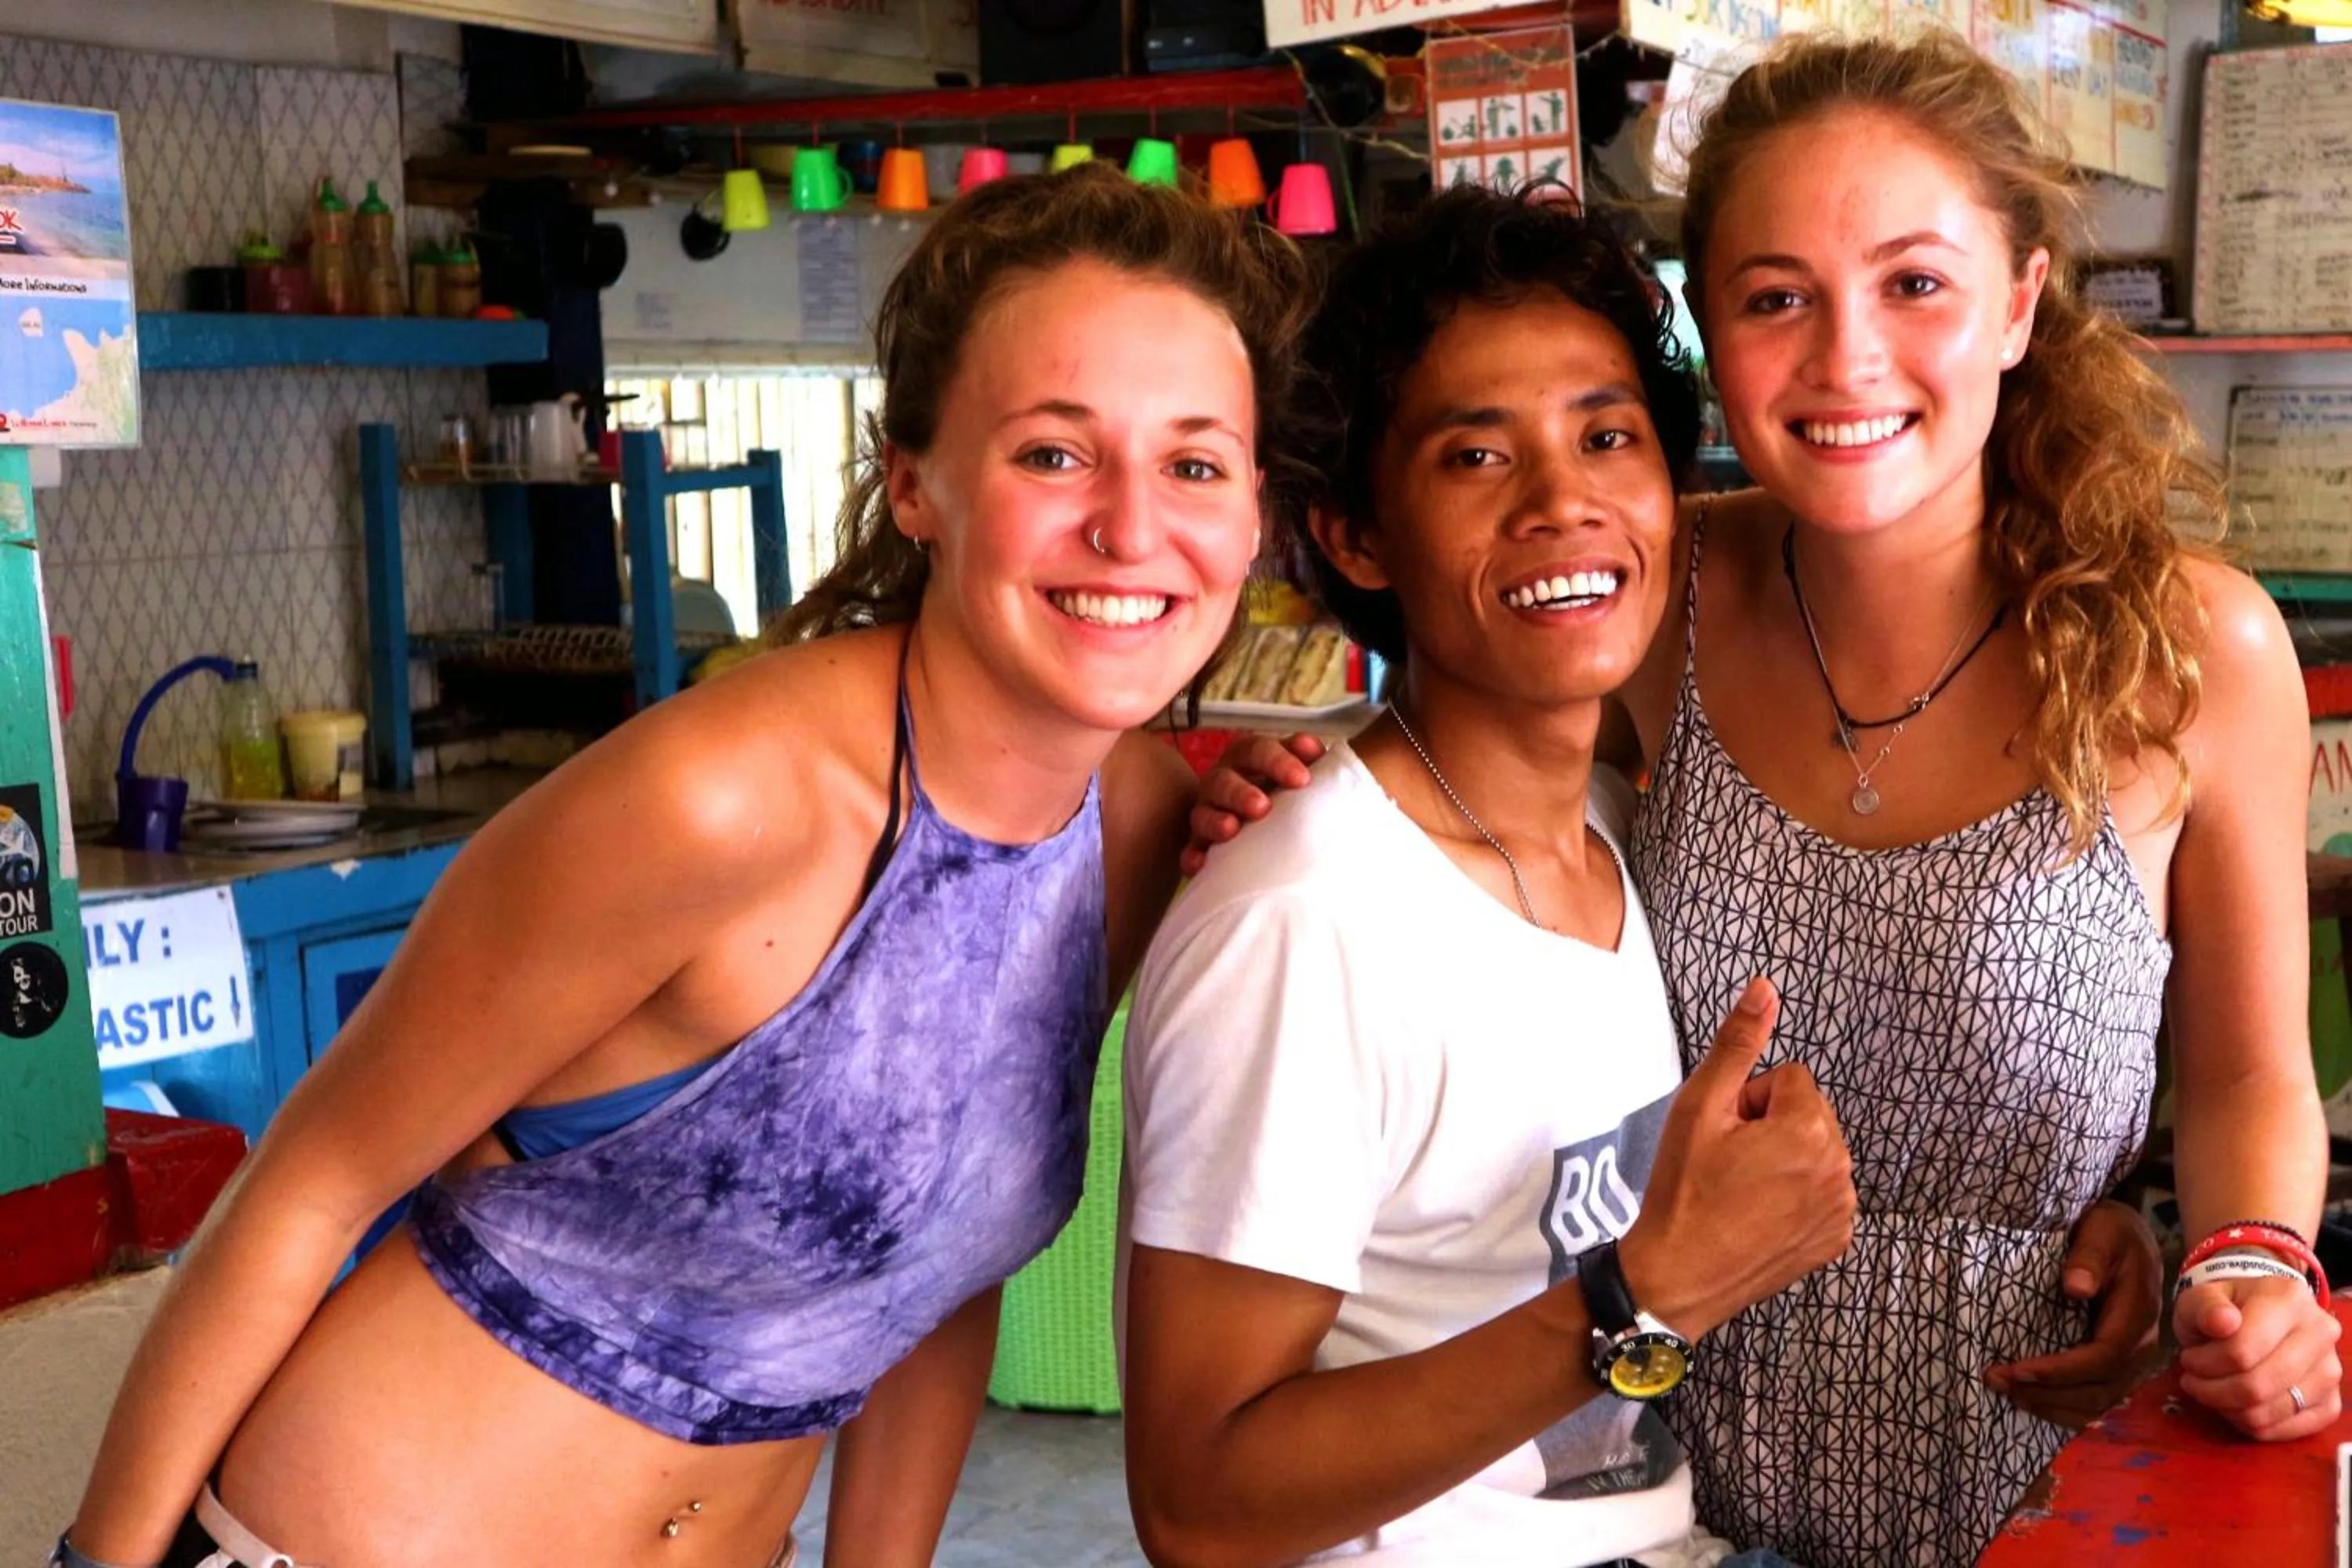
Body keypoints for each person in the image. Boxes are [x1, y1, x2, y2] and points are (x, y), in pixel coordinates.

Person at [1193, 30, 2330, 1568]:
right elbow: (1455, 767)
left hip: (2050, 1489)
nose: (1847, 356)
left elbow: (2254, 1073)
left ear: (2018, 298)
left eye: (1915, 284)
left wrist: (2242, 1263)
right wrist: (1274, 785)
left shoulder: (2189, 648)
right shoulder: (1652, 588)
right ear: (1711, 336)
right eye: (1776, 296)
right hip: (1656, 1499)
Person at [60, 164, 1305, 1568]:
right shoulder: (719, 800)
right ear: (917, 486)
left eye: (1193, 463)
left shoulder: (1127, 820)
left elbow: (932, 1267)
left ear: (1253, 511)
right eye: (1053, 454)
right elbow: (306, 1190)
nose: (1132, 529)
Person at [1121, 184, 1856, 1568]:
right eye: (1474, 457)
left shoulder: (1617, 832)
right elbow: (1196, 1505)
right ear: (1354, 536)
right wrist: (1643, 1298)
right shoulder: (1302, 925)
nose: (1564, 499)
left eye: (1608, 436)